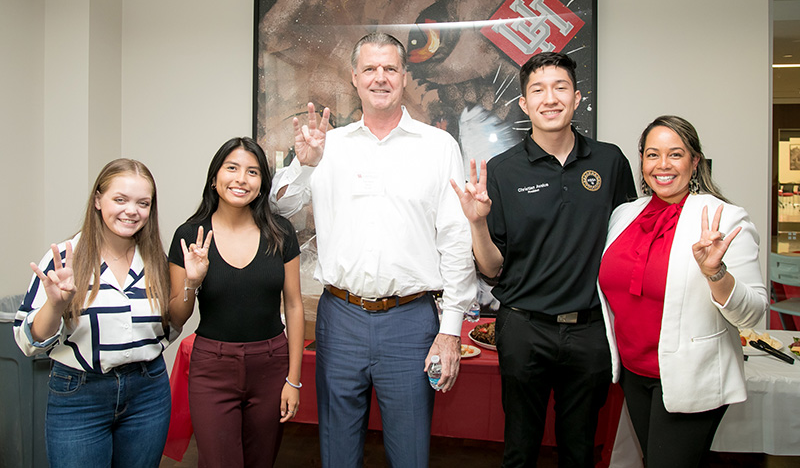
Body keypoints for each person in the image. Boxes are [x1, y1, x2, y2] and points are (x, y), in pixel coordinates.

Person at [271, 32, 478, 467]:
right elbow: (280, 206)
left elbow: (456, 241)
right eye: (369, 68)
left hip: (412, 321)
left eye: (389, 68)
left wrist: (451, 330)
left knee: (409, 453)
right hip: (340, 318)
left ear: (404, 76)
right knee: (337, 452)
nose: (379, 77)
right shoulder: (328, 145)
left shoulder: (438, 147)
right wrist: (304, 166)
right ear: (354, 78)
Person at [451, 51, 637, 467]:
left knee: (579, 449)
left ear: (576, 98)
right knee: (519, 448)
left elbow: (627, 244)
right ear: (524, 103)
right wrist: (477, 223)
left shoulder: (610, 161)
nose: (549, 98)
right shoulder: (501, 170)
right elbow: (491, 268)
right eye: (538, 90)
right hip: (523, 328)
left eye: (560, 88)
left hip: (589, 332)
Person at [597, 116, 767, 467]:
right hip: (633, 375)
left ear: (695, 161)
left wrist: (715, 272)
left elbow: (752, 313)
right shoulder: (624, 215)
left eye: (675, 154)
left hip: (692, 375)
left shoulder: (724, 219)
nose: (662, 165)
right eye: (652, 154)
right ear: (641, 160)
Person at [14, 158, 174, 468]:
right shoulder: (65, 259)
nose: (132, 210)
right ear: (98, 200)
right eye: (120, 199)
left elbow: (166, 329)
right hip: (80, 395)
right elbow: (27, 341)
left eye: (143, 203)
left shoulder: (156, 260)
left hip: (148, 392)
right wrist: (56, 305)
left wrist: (191, 284)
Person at [168, 137, 303, 468]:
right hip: (212, 367)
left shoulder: (280, 233)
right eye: (232, 168)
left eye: (252, 172)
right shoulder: (190, 234)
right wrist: (192, 281)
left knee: (262, 461)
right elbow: (176, 316)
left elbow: (294, 306)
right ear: (215, 178)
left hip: (271, 365)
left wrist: (293, 380)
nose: (241, 179)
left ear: (261, 185)